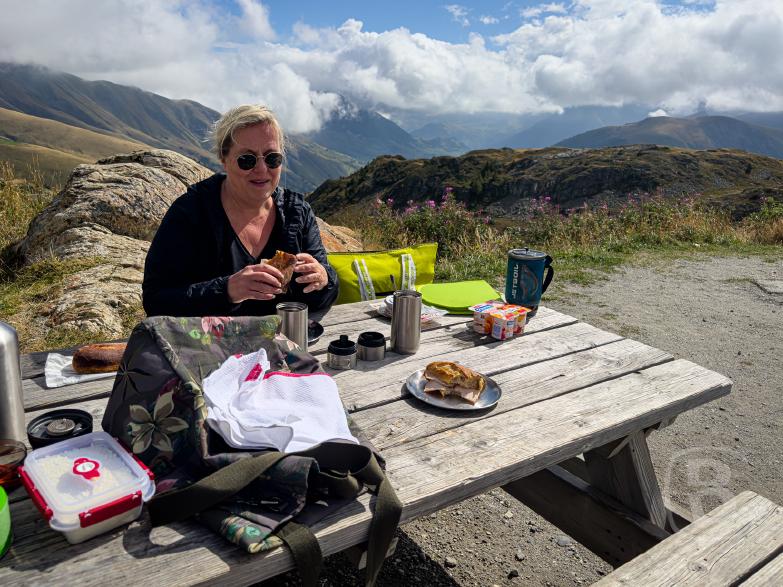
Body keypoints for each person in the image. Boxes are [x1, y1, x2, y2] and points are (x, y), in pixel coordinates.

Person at [142, 105, 338, 317]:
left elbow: (322, 298)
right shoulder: (191, 213)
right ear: (224, 160)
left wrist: (323, 280)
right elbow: (156, 300)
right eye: (247, 160)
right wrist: (227, 290)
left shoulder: (297, 213)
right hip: (211, 347)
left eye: (272, 158)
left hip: (284, 345)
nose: (262, 169)